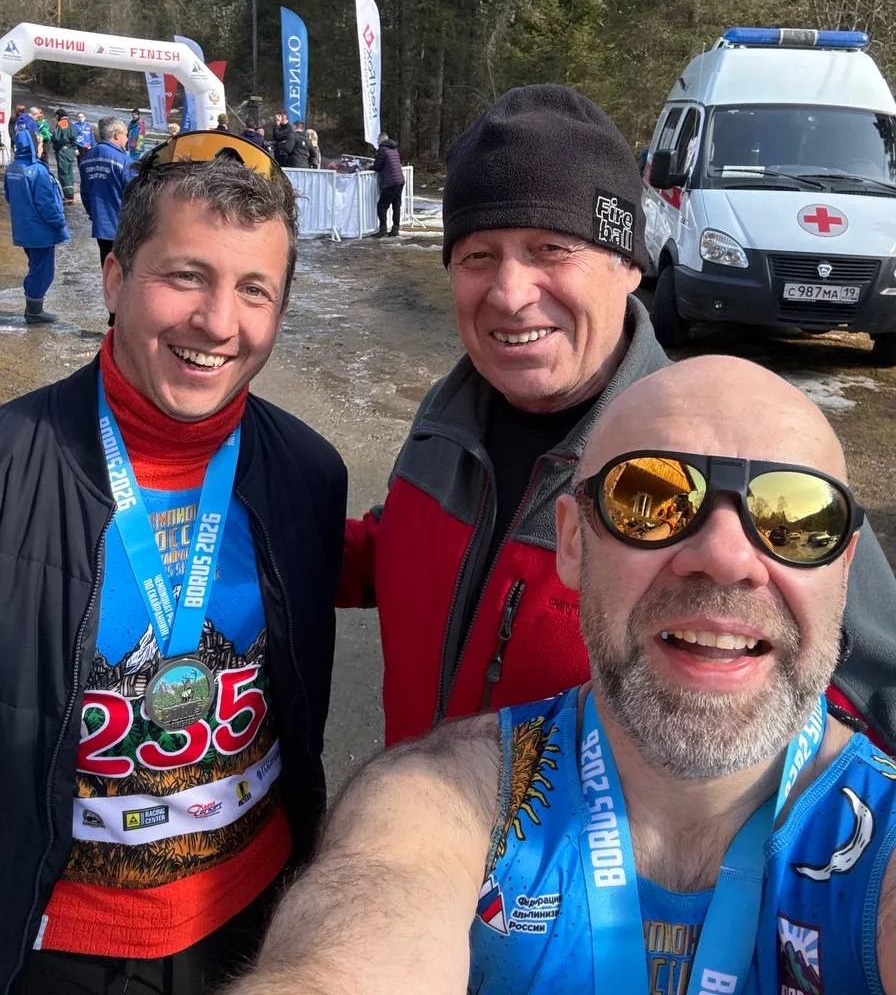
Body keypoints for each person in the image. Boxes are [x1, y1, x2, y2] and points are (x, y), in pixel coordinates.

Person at [231, 357, 896, 995]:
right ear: (573, 543)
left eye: (797, 519)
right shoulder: (447, 797)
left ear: (844, 568)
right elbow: (355, 940)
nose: (725, 557)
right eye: (648, 500)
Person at [339, 84, 896, 751]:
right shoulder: (450, 410)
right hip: (416, 805)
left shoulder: (741, 452)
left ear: (628, 264)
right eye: (477, 256)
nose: (509, 294)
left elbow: (877, 697)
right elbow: (420, 547)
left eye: (551, 249)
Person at [0, 151, 348, 995]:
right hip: (55, 941)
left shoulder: (310, 474)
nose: (218, 322)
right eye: (186, 276)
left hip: (256, 916)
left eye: (255, 290)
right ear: (115, 278)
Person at [3, 123, 69, 324]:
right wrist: (59, 222)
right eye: (40, 144)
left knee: (35, 266)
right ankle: (34, 311)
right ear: (33, 146)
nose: (42, 148)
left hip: (23, 228)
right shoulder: (37, 171)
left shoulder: (12, 168)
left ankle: (32, 308)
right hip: (41, 230)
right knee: (43, 271)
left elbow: (9, 196)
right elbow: (46, 203)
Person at [79, 116, 137, 323]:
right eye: (125, 135)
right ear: (117, 135)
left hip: (101, 227)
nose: (126, 139)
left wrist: (94, 215)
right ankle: (125, 319)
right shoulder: (124, 161)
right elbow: (136, 194)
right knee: (129, 273)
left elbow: (85, 194)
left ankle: (113, 316)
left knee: (109, 272)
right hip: (123, 228)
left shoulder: (87, 158)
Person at [372, 131, 404, 237]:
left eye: (378, 140)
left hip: (390, 182)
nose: (377, 142)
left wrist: (368, 167)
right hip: (400, 180)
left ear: (381, 140)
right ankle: (395, 229)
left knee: (382, 206)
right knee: (396, 205)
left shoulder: (382, 150)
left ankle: (383, 230)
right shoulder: (394, 149)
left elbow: (377, 166)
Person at [52, 106, 77, 202]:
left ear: (58, 115)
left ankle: (68, 196)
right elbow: (74, 136)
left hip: (63, 150)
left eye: (56, 116)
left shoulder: (62, 123)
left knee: (64, 172)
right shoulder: (71, 123)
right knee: (70, 173)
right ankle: (70, 193)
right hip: (70, 150)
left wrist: (52, 139)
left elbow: (57, 137)